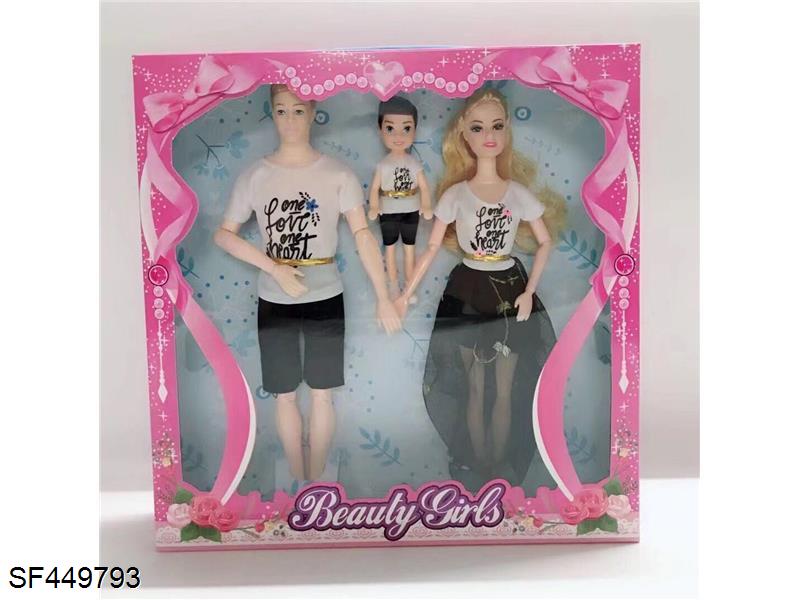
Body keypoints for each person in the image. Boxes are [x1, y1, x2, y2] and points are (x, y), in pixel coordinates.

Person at [214, 85, 401, 482]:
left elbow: (363, 235)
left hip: (326, 296)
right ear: (272, 113)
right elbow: (224, 235)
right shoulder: (256, 176)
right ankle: (298, 478)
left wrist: (384, 297)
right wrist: (274, 268)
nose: (290, 120)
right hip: (273, 298)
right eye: (282, 110)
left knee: (322, 391)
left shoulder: (337, 174)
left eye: (298, 111)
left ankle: (317, 480)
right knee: (283, 393)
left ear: (314, 112)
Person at [395, 87, 565, 489]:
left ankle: (498, 469)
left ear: (506, 132)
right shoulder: (455, 195)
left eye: (497, 126)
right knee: (474, 387)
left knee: (504, 389)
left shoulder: (518, 194)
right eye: (477, 127)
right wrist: (404, 294)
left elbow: (545, 243)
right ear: (464, 136)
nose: (488, 135)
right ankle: (480, 464)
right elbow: (431, 247)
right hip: (468, 289)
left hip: (508, 288)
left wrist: (529, 292)